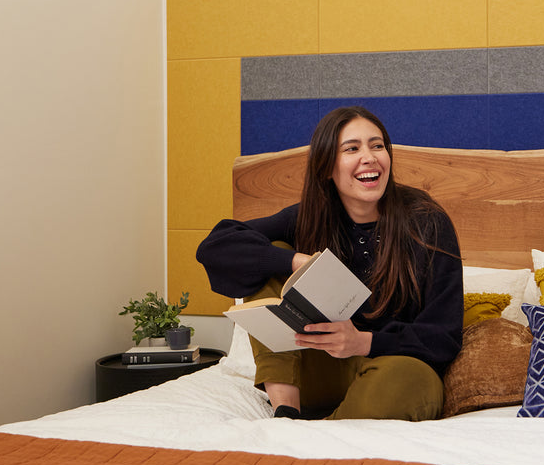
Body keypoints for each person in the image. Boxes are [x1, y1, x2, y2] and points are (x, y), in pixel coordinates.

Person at [196, 106, 463, 421]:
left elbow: (444, 337)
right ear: (326, 167)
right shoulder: (308, 218)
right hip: (319, 371)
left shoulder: (426, 222)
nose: (369, 156)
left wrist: (362, 341)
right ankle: (286, 413)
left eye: (377, 146)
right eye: (352, 148)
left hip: (391, 367)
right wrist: (297, 260)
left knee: (412, 380)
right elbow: (217, 245)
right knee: (266, 255)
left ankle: (320, 435)